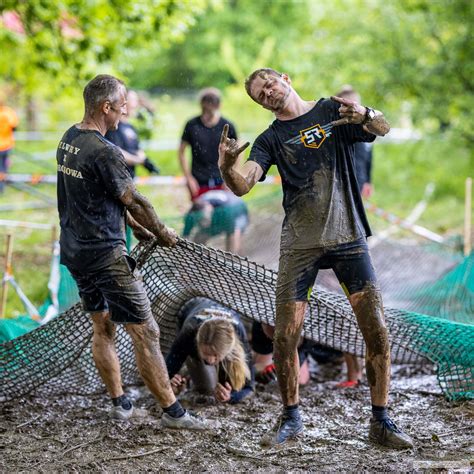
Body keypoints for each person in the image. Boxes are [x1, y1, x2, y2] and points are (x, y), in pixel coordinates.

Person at [218, 68, 413, 449]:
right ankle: (290, 417)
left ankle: (381, 420)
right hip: (300, 245)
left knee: (376, 328)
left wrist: (367, 114)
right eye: (260, 95)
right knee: (285, 335)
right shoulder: (270, 138)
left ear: (285, 79)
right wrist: (226, 167)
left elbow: (383, 128)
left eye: (269, 84)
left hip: (348, 237)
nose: (268, 94)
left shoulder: (330, 110)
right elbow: (243, 184)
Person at [56, 74, 206, 430]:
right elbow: (134, 199)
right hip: (106, 254)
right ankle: (173, 412)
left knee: (102, 324)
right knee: (146, 331)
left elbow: (96, 194)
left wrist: (132, 227)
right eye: (121, 106)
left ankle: (119, 400)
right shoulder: (105, 151)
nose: (125, 112)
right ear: (105, 107)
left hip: (75, 251)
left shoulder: (69, 139)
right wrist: (161, 230)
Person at [166, 297, 254, 404]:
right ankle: (189, 374)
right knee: (206, 389)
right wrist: (170, 380)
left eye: (216, 356)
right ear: (197, 344)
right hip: (192, 306)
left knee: (231, 384)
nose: (210, 360)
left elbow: (249, 388)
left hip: (227, 310)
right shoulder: (188, 333)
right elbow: (167, 371)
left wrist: (230, 396)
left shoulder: (239, 334)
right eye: (206, 353)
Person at [178, 88, 237, 200]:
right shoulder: (192, 125)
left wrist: (231, 178)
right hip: (198, 180)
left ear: (219, 105)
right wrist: (189, 178)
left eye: (213, 104)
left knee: (224, 215)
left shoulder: (227, 125)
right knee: (201, 215)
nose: (209, 109)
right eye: (207, 105)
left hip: (222, 179)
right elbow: (181, 152)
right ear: (202, 104)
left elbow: (238, 152)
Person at [251, 321, 342, 385]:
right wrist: (266, 369)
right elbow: (260, 365)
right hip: (292, 337)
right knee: (264, 373)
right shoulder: (259, 326)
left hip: (326, 346)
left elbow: (299, 379)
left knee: (299, 381)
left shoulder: (310, 329)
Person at [105, 89, 160, 178]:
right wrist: (138, 160)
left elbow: (137, 149)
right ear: (124, 103)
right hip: (115, 179)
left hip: (129, 179)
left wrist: (147, 163)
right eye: (133, 100)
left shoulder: (131, 127)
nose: (136, 105)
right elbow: (115, 152)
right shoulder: (113, 126)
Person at [182, 189, 249, 254]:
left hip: (238, 211)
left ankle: (233, 260)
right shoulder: (191, 215)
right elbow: (185, 236)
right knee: (200, 237)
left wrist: (230, 255)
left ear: (210, 208)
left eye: (205, 219)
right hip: (217, 215)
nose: (203, 223)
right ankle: (199, 258)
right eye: (200, 221)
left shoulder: (226, 211)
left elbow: (231, 233)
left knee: (235, 232)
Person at [0, 95, 19, 193]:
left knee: (2, 166)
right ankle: (2, 187)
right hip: (6, 144)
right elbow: (15, 127)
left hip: (4, 144)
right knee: (3, 166)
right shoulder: (8, 112)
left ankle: (2, 187)